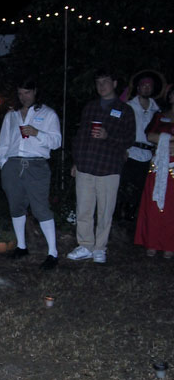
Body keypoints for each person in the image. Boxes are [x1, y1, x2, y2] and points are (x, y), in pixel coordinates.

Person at [67, 68, 136, 263]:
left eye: (105, 81)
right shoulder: (90, 107)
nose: (101, 86)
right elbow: (80, 137)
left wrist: (108, 136)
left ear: (114, 84)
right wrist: (76, 162)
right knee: (83, 209)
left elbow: (129, 139)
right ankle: (85, 245)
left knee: (105, 211)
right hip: (86, 164)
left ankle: (100, 248)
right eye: (98, 82)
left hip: (109, 167)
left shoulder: (125, 110)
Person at [0, 77, 62, 270]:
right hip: (12, 165)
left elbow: (56, 142)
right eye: (20, 93)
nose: (23, 97)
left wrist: (37, 133)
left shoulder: (48, 114)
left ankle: (53, 253)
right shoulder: (12, 115)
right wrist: (3, 163)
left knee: (40, 208)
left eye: (27, 92)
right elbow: (4, 141)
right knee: (16, 206)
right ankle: (21, 247)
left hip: (36, 165)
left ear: (35, 92)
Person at [117, 70, 163, 221]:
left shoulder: (157, 110)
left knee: (142, 188)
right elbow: (118, 126)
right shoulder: (128, 106)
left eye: (149, 86)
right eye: (144, 85)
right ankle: (119, 217)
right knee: (124, 186)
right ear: (138, 87)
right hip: (130, 152)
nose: (146, 88)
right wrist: (122, 149)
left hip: (148, 155)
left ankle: (133, 217)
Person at [134, 85, 174, 258]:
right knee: (154, 205)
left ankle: (169, 245)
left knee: (171, 206)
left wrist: (164, 141)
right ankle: (152, 242)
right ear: (170, 97)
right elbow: (150, 135)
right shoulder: (160, 116)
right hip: (158, 164)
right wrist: (169, 141)